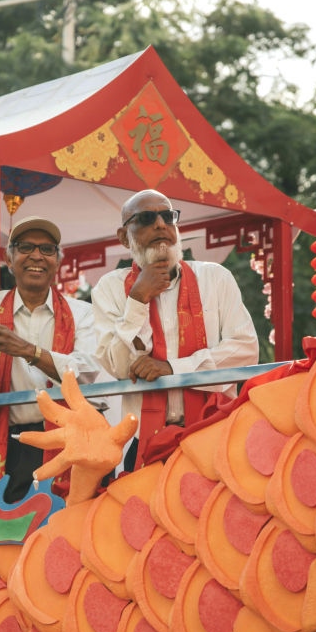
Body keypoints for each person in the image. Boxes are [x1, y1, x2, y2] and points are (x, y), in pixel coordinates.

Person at [91, 189, 260, 470]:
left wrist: (173, 369)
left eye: (168, 217)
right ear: (124, 237)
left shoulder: (215, 278)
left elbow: (245, 351)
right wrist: (137, 299)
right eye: (146, 218)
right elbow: (119, 367)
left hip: (214, 431)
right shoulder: (110, 288)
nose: (160, 225)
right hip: (145, 442)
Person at [0, 216, 103, 504]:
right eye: (26, 247)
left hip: (76, 440)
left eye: (47, 249)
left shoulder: (82, 313)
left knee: (74, 524)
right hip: (13, 445)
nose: (36, 256)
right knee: (12, 527)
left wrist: (27, 350)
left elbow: (86, 371)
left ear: (57, 260)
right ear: (9, 259)